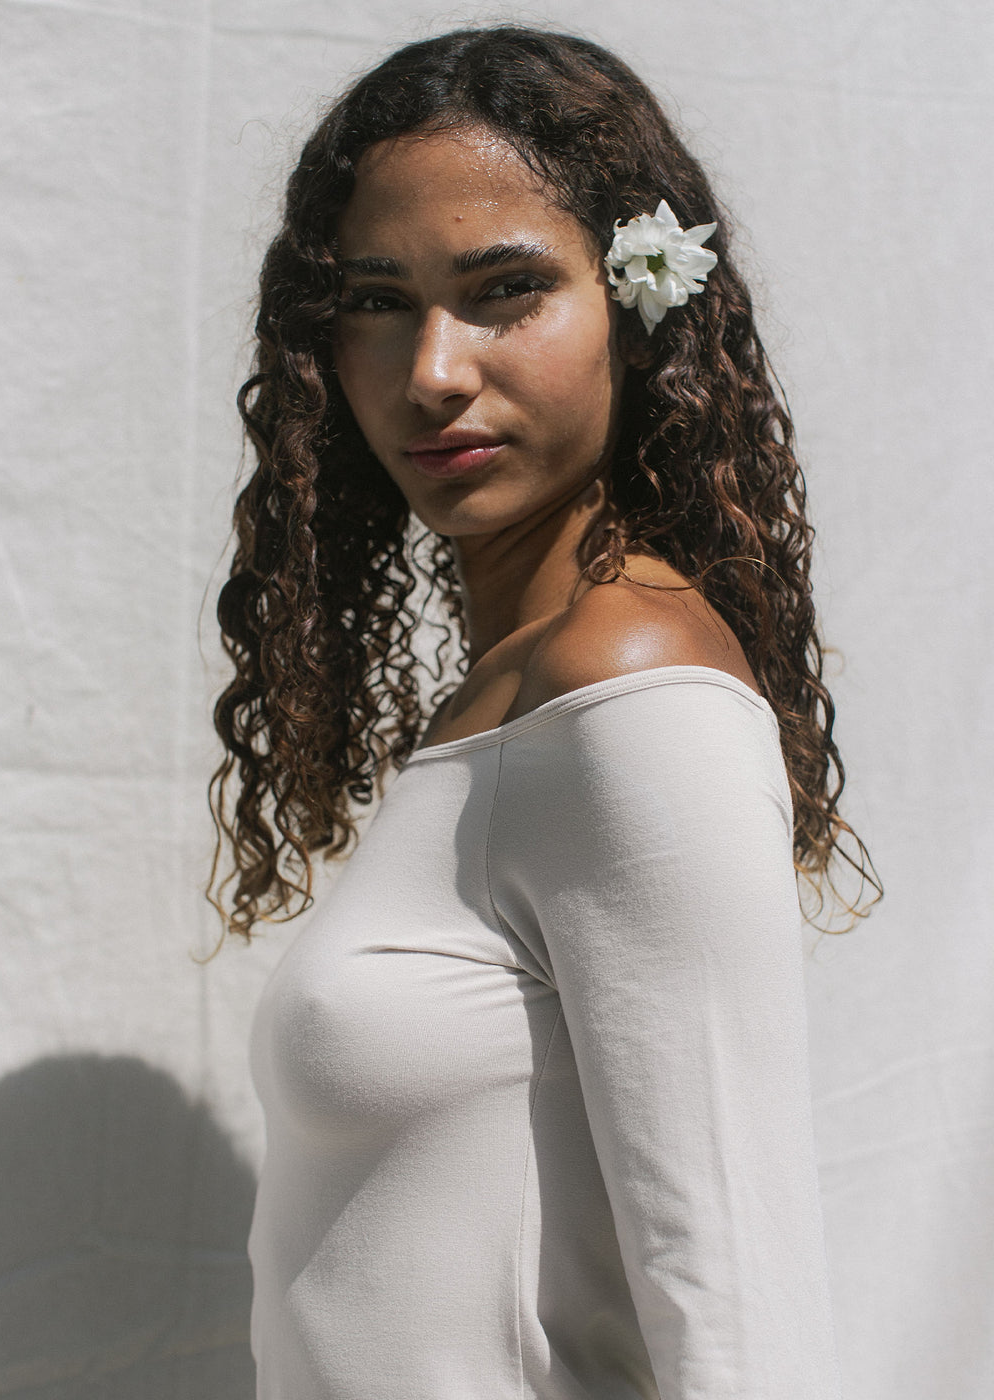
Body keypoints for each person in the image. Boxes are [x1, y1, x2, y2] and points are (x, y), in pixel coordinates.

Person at [208, 25, 880, 1399]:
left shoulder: (628, 677)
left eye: (505, 289)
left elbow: (737, 1295)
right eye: (379, 300)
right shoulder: (510, 691)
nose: (433, 370)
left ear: (640, 306)